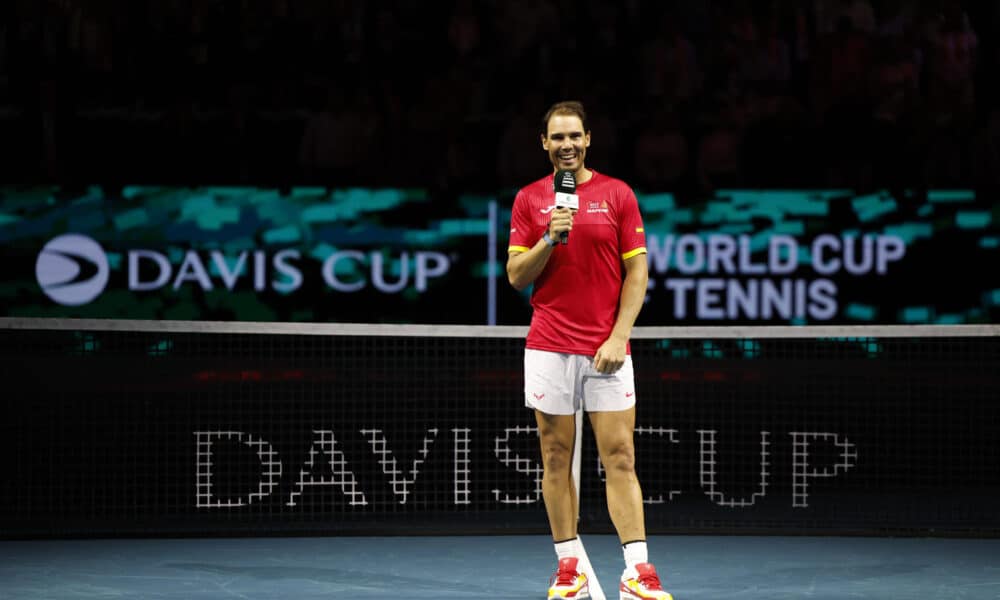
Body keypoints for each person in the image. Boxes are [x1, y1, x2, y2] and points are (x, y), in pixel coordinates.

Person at [506, 100, 672, 600]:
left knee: (620, 455)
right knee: (556, 456)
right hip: (549, 346)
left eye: (574, 136)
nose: (567, 145)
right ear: (544, 144)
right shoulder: (530, 200)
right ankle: (568, 568)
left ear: (588, 139)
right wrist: (548, 239)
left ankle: (637, 571)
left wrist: (619, 336)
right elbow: (516, 276)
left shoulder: (618, 194)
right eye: (557, 138)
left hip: (607, 350)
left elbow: (637, 273)